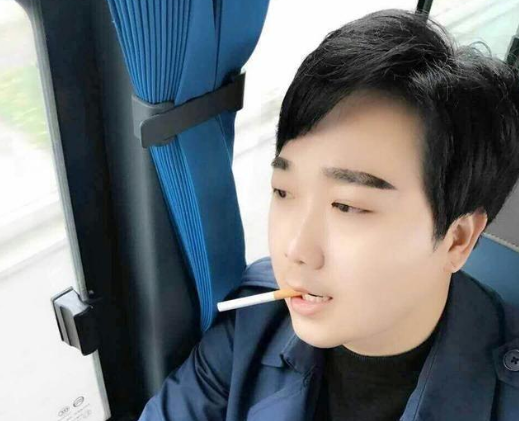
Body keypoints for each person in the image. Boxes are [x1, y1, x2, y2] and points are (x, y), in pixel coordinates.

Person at [137, 8, 519, 421]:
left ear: (458, 239)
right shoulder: (254, 322)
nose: (295, 250)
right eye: (283, 191)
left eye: (347, 206)